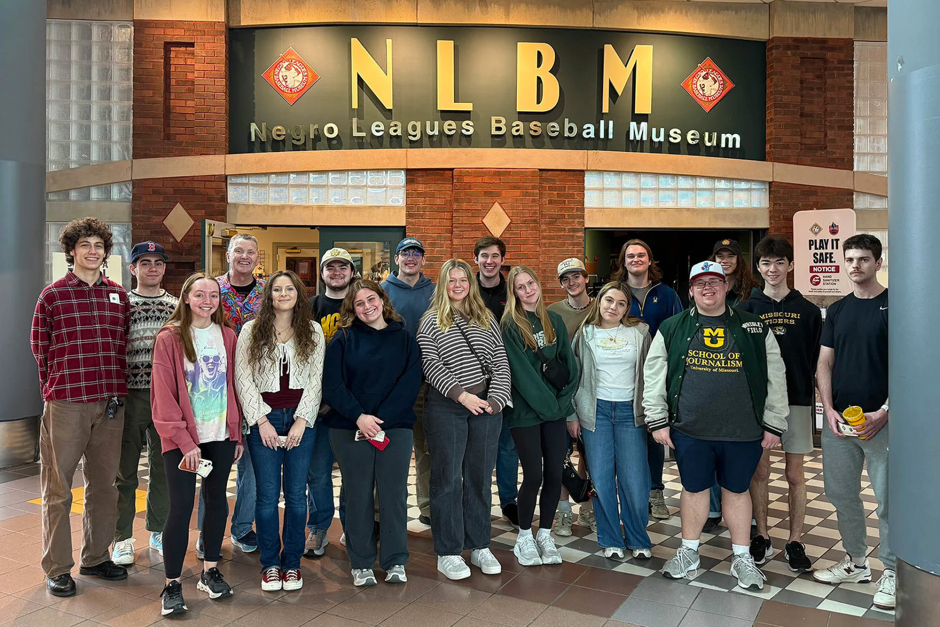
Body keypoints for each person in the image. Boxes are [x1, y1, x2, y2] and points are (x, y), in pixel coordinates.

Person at [644, 261, 788, 591]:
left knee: (736, 491)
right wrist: (658, 419)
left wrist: (774, 422)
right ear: (691, 290)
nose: (708, 288)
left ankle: (741, 558)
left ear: (726, 287)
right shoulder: (672, 327)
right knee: (693, 489)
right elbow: (653, 376)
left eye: (715, 282)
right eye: (700, 283)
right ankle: (689, 552)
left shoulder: (753, 326)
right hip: (690, 428)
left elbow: (775, 375)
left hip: (743, 430)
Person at [30, 217, 130, 597]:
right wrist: (55, 391)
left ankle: (96, 557)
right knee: (58, 489)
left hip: (110, 403)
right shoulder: (52, 295)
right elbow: (40, 349)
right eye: (85, 245)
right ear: (72, 251)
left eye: (99, 246)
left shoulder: (119, 295)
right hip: (67, 402)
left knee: (104, 486)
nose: (93, 251)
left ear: (106, 252)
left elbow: (121, 344)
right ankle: (57, 567)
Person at [151, 273, 244, 616]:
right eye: (199, 294)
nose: (207, 300)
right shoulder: (170, 338)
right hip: (181, 440)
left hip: (220, 435)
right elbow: (163, 396)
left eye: (213, 295)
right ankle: (172, 583)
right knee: (179, 508)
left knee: (217, 501)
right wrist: (184, 441)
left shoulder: (228, 336)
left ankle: (209, 571)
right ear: (186, 298)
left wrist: (235, 432)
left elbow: (233, 387)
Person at [812, 234, 895, 610]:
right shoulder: (839, 309)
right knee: (841, 494)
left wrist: (886, 411)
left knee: (888, 501)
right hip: (840, 424)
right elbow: (825, 362)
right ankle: (858, 562)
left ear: (878, 262)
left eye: (863, 259)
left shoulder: (896, 305)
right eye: (849, 259)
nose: (855, 265)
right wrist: (827, 409)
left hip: (883, 423)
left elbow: (911, 366)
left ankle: (892, 571)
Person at [321, 280, 422, 587]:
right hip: (349, 427)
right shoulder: (343, 339)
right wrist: (360, 417)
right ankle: (362, 562)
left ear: (382, 300)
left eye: (371, 299)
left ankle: (394, 560)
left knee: (393, 493)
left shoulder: (404, 339)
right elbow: (333, 386)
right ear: (352, 309)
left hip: (395, 428)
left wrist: (379, 420)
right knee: (358, 493)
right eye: (359, 303)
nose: (367, 307)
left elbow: (410, 383)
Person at [417, 259, 512, 580]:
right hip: (447, 408)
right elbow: (430, 364)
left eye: (463, 280)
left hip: (486, 408)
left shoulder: (485, 317)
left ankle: (479, 544)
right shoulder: (430, 321)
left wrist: (496, 400)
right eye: (451, 280)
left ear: (470, 284)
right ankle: (448, 551)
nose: (458, 285)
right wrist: (462, 396)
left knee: (479, 478)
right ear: (443, 284)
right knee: (446, 480)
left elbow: (500, 357)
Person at [235, 270, 326, 591]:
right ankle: (271, 564)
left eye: (289, 289)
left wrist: (303, 420)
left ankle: (292, 565)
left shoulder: (313, 331)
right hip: (265, 420)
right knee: (267, 495)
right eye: (277, 289)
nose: (283, 294)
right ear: (268, 295)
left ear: (298, 294)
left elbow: (316, 381)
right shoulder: (250, 331)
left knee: (298, 497)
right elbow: (242, 378)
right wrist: (260, 421)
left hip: (301, 420)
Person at [739, 237, 821, 572]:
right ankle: (761, 534)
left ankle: (795, 540)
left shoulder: (809, 311)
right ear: (758, 267)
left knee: (795, 473)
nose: (772, 270)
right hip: (759, 404)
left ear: (790, 265)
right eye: (765, 263)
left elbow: (818, 360)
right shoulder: (746, 308)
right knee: (759, 471)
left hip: (798, 400)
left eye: (779, 262)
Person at [568, 282, 653, 561]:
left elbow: (651, 375)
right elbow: (574, 376)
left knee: (635, 480)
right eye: (608, 301)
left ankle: (638, 538)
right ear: (598, 301)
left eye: (620, 303)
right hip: (596, 412)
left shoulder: (640, 333)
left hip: (631, 412)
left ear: (627, 308)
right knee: (602, 479)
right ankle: (610, 538)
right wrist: (572, 415)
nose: (612, 307)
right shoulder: (585, 333)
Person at [502, 266, 579, 567]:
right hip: (525, 414)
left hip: (555, 412)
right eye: (520, 287)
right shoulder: (510, 325)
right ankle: (524, 536)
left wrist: (561, 405)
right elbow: (522, 376)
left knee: (554, 475)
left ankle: (545, 533)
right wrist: (552, 407)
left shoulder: (555, 321)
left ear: (538, 284)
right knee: (533, 474)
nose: (527, 290)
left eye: (530, 283)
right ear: (514, 293)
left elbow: (569, 370)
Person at [196, 234, 265, 557]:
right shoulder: (212, 291)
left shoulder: (268, 292)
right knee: (210, 465)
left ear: (257, 257)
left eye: (251, 252)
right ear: (227, 254)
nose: (245, 256)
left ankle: (242, 527)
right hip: (214, 388)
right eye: (239, 250)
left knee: (252, 465)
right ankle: (206, 534)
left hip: (256, 388)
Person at [112, 241, 176, 567]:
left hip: (165, 397)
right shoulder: (121, 303)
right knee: (125, 472)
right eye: (145, 262)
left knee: (163, 468)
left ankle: (159, 529)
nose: (152, 268)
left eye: (158, 263)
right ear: (133, 268)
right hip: (130, 396)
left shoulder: (177, 306)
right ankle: (121, 537)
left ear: (165, 268)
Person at [611, 239, 683, 521]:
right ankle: (628, 494)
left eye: (641, 255)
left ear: (650, 260)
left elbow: (677, 336)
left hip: (656, 377)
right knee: (626, 437)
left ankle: (655, 492)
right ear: (623, 261)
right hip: (620, 378)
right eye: (630, 256)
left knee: (654, 436)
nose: (636, 259)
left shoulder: (666, 295)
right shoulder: (615, 293)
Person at [702, 238, 761, 531]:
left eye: (730, 255)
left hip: (741, 383)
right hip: (710, 378)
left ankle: (743, 514)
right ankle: (712, 510)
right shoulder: (704, 289)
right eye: (719, 255)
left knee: (739, 459)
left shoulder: (752, 293)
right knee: (709, 453)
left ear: (740, 259)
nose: (725, 260)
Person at [305, 247, 356, 556]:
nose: (336, 272)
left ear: (352, 272)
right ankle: (318, 528)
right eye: (330, 267)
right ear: (322, 272)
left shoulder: (361, 305)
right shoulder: (309, 307)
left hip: (351, 407)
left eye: (343, 267)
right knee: (318, 471)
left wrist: (343, 400)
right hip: (317, 407)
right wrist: (319, 400)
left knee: (354, 472)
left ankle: (354, 528)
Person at [382, 237, 435, 526]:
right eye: (406, 253)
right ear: (397, 259)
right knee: (394, 451)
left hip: (432, 384)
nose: (411, 257)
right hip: (395, 387)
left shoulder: (436, 292)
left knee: (427, 449)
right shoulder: (383, 292)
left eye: (417, 252)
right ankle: (390, 510)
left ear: (423, 260)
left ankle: (427, 507)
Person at [547, 258, 596, 536]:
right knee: (561, 456)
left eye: (576, 276)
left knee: (591, 457)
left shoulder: (601, 309)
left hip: (594, 393)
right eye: (565, 279)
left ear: (586, 278)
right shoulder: (553, 312)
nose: (572, 282)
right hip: (562, 395)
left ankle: (588, 509)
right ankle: (563, 513)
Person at [473, 236, 519, 528]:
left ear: (502, 260)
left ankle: (509, 501)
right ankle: (475, 503)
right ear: (475, 258)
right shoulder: (466, 289)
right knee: (474, 448)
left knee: (507, 446)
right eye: (484, 256)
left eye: (495, 256)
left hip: (508, 378)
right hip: (472, 381)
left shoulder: (512, 290)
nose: (489, 261)